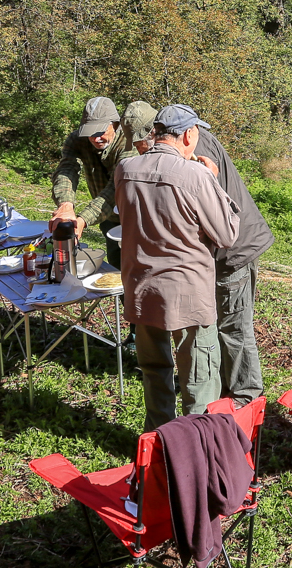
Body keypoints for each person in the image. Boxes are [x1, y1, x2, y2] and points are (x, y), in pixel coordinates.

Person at [113, 103, 239, 432]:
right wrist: (214, 182)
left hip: (142, 289)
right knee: (199, 379)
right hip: (188, 295)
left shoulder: (125, 169)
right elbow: (226, 233)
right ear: (187, 134)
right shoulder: (195, 175)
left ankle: (157, 444)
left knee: (155, 374)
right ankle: (196, 448)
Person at [194, 121, 273, 405]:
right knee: (225, 324)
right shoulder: (195, 141)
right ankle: (229, 386)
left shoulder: (196, 149)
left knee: (235, 327)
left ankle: (245, 396)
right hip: (232, 247)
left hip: (233, 251)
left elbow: (213, 211)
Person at [50, 97, 124, 244]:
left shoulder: (129, 143)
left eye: (100, 132)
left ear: (115, 124)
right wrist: (65, 205)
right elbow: (67, 170)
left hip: (136, 216)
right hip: (106, 216)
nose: (95, 139)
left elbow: (116, 187)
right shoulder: (78, 139)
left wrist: (83, 219)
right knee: (115, 260)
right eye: (90, 132)